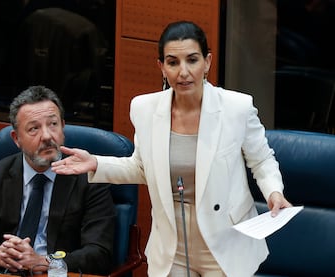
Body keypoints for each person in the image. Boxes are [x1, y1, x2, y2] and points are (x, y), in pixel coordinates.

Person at [51, 21, 292, 277]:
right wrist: (97, 164)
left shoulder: (237, 108)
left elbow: (262, 160)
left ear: (207, 62)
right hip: (172, 241)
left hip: (225, 238)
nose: (183, 72)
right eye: (173, 62)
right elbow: (142, 168)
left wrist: (274, 192)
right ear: (161, 67)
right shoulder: (144, 109)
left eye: (192, 60)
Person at [0, 86, 115, 275]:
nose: (46, 136)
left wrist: (44, 261)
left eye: (53, 124)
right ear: (16, 138)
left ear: (63, 127)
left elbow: (99, 253)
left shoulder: (89, 178)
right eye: (34, 128)